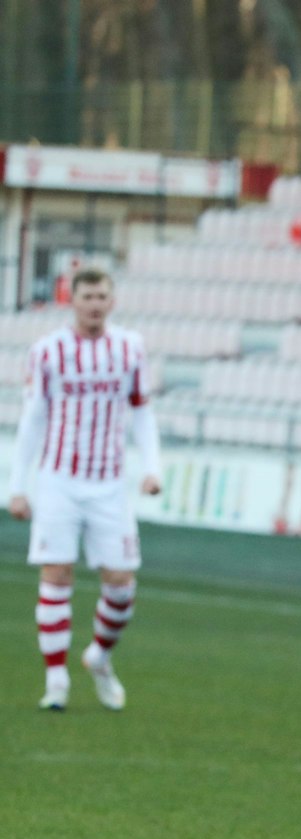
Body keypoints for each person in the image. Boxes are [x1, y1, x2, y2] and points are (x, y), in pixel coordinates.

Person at [6, 266, 160, 713]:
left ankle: (99, 656)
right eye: (87, 296)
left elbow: (142, 412)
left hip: (109, 483)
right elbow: (34, 419)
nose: (94, 304)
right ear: (71, 300)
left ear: (112, 302)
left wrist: (152, 468)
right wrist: (18, 486)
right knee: (56, 575)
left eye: (102, 297)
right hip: (58, 480)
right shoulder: (48, 352)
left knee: (121, 584)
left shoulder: (129, 349)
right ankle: (56, 680)